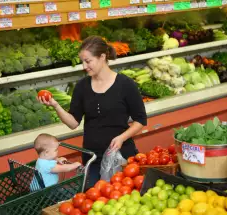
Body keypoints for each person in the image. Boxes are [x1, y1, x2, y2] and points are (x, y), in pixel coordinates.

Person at [38, 36, 147, 188]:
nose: (84, 66)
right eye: (82, 61)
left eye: (88, 61)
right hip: (92, 157)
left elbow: (140, 120)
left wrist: (122, 138)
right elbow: (73, 123)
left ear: (102, 57)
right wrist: (55, 105)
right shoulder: (82, 87)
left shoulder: (126, 85)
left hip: (121, 155)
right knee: (92, 199)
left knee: (122, 197)